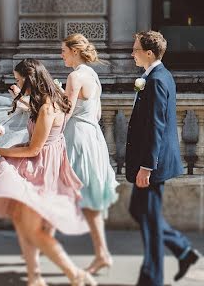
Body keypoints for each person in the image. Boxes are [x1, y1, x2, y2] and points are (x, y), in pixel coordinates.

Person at [0, 59, 96, 286]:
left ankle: (76, 275)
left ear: (30, 80)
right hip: (40, 162)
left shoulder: (48, 107)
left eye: (19, 80)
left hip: (41, 168)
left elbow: (34, 149)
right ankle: (34, 277)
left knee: (34, 230)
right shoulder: (44, 101)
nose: (17, 83)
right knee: (22, 221)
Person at [126, 30, 201, 286]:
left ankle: (153, 278)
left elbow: (156, 125)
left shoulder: (157, 79)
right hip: (152, 160)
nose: (131, 53)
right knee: (140, 210)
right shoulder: (157, 75)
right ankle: (183, 251)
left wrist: (147, 166)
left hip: (152, 163)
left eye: (135, 49)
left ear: (148, 53)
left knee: (149, 217)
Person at [61, 33, 120, 275]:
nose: (61, 55)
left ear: (74, 51)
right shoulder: (92, 76)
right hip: (93, 138)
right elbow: (95, 114)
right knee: (87, 198)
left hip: (77, 140)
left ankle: (101, 253)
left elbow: (64, 114)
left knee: (81, 197)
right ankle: (100, 253)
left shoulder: (75, 77)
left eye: (63, 50)